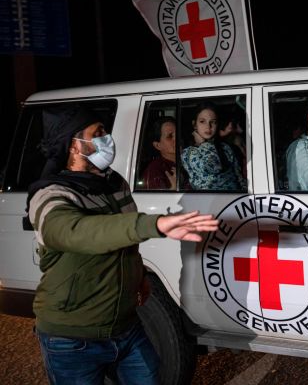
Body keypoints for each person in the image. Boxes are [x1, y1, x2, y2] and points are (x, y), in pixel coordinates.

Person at [26, 105, 219, 385]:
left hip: (126, 328)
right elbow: (73, 231)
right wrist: (153, 224)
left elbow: (123, 243)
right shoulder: (50, 195)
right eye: (98, 133)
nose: (108, 138)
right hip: (72, 339)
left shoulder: (114, 183)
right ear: (74, 146)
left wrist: (138, 278)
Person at [181, 102, 246, 190]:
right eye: (202, 121)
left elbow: (238, 177)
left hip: (234, 200)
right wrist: (204, 144)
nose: (208, 126)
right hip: (208, 201)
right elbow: (213, 166)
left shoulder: (225, 147)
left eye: (213, 122)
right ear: (195, 125)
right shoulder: (188, 153)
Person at [141, 116, 177, 189]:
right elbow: (157, 200)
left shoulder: (189, 158)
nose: (177, 138)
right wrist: (173, 188)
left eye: (178, 134)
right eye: (170, 136)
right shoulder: (154, 171)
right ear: (158, 145)